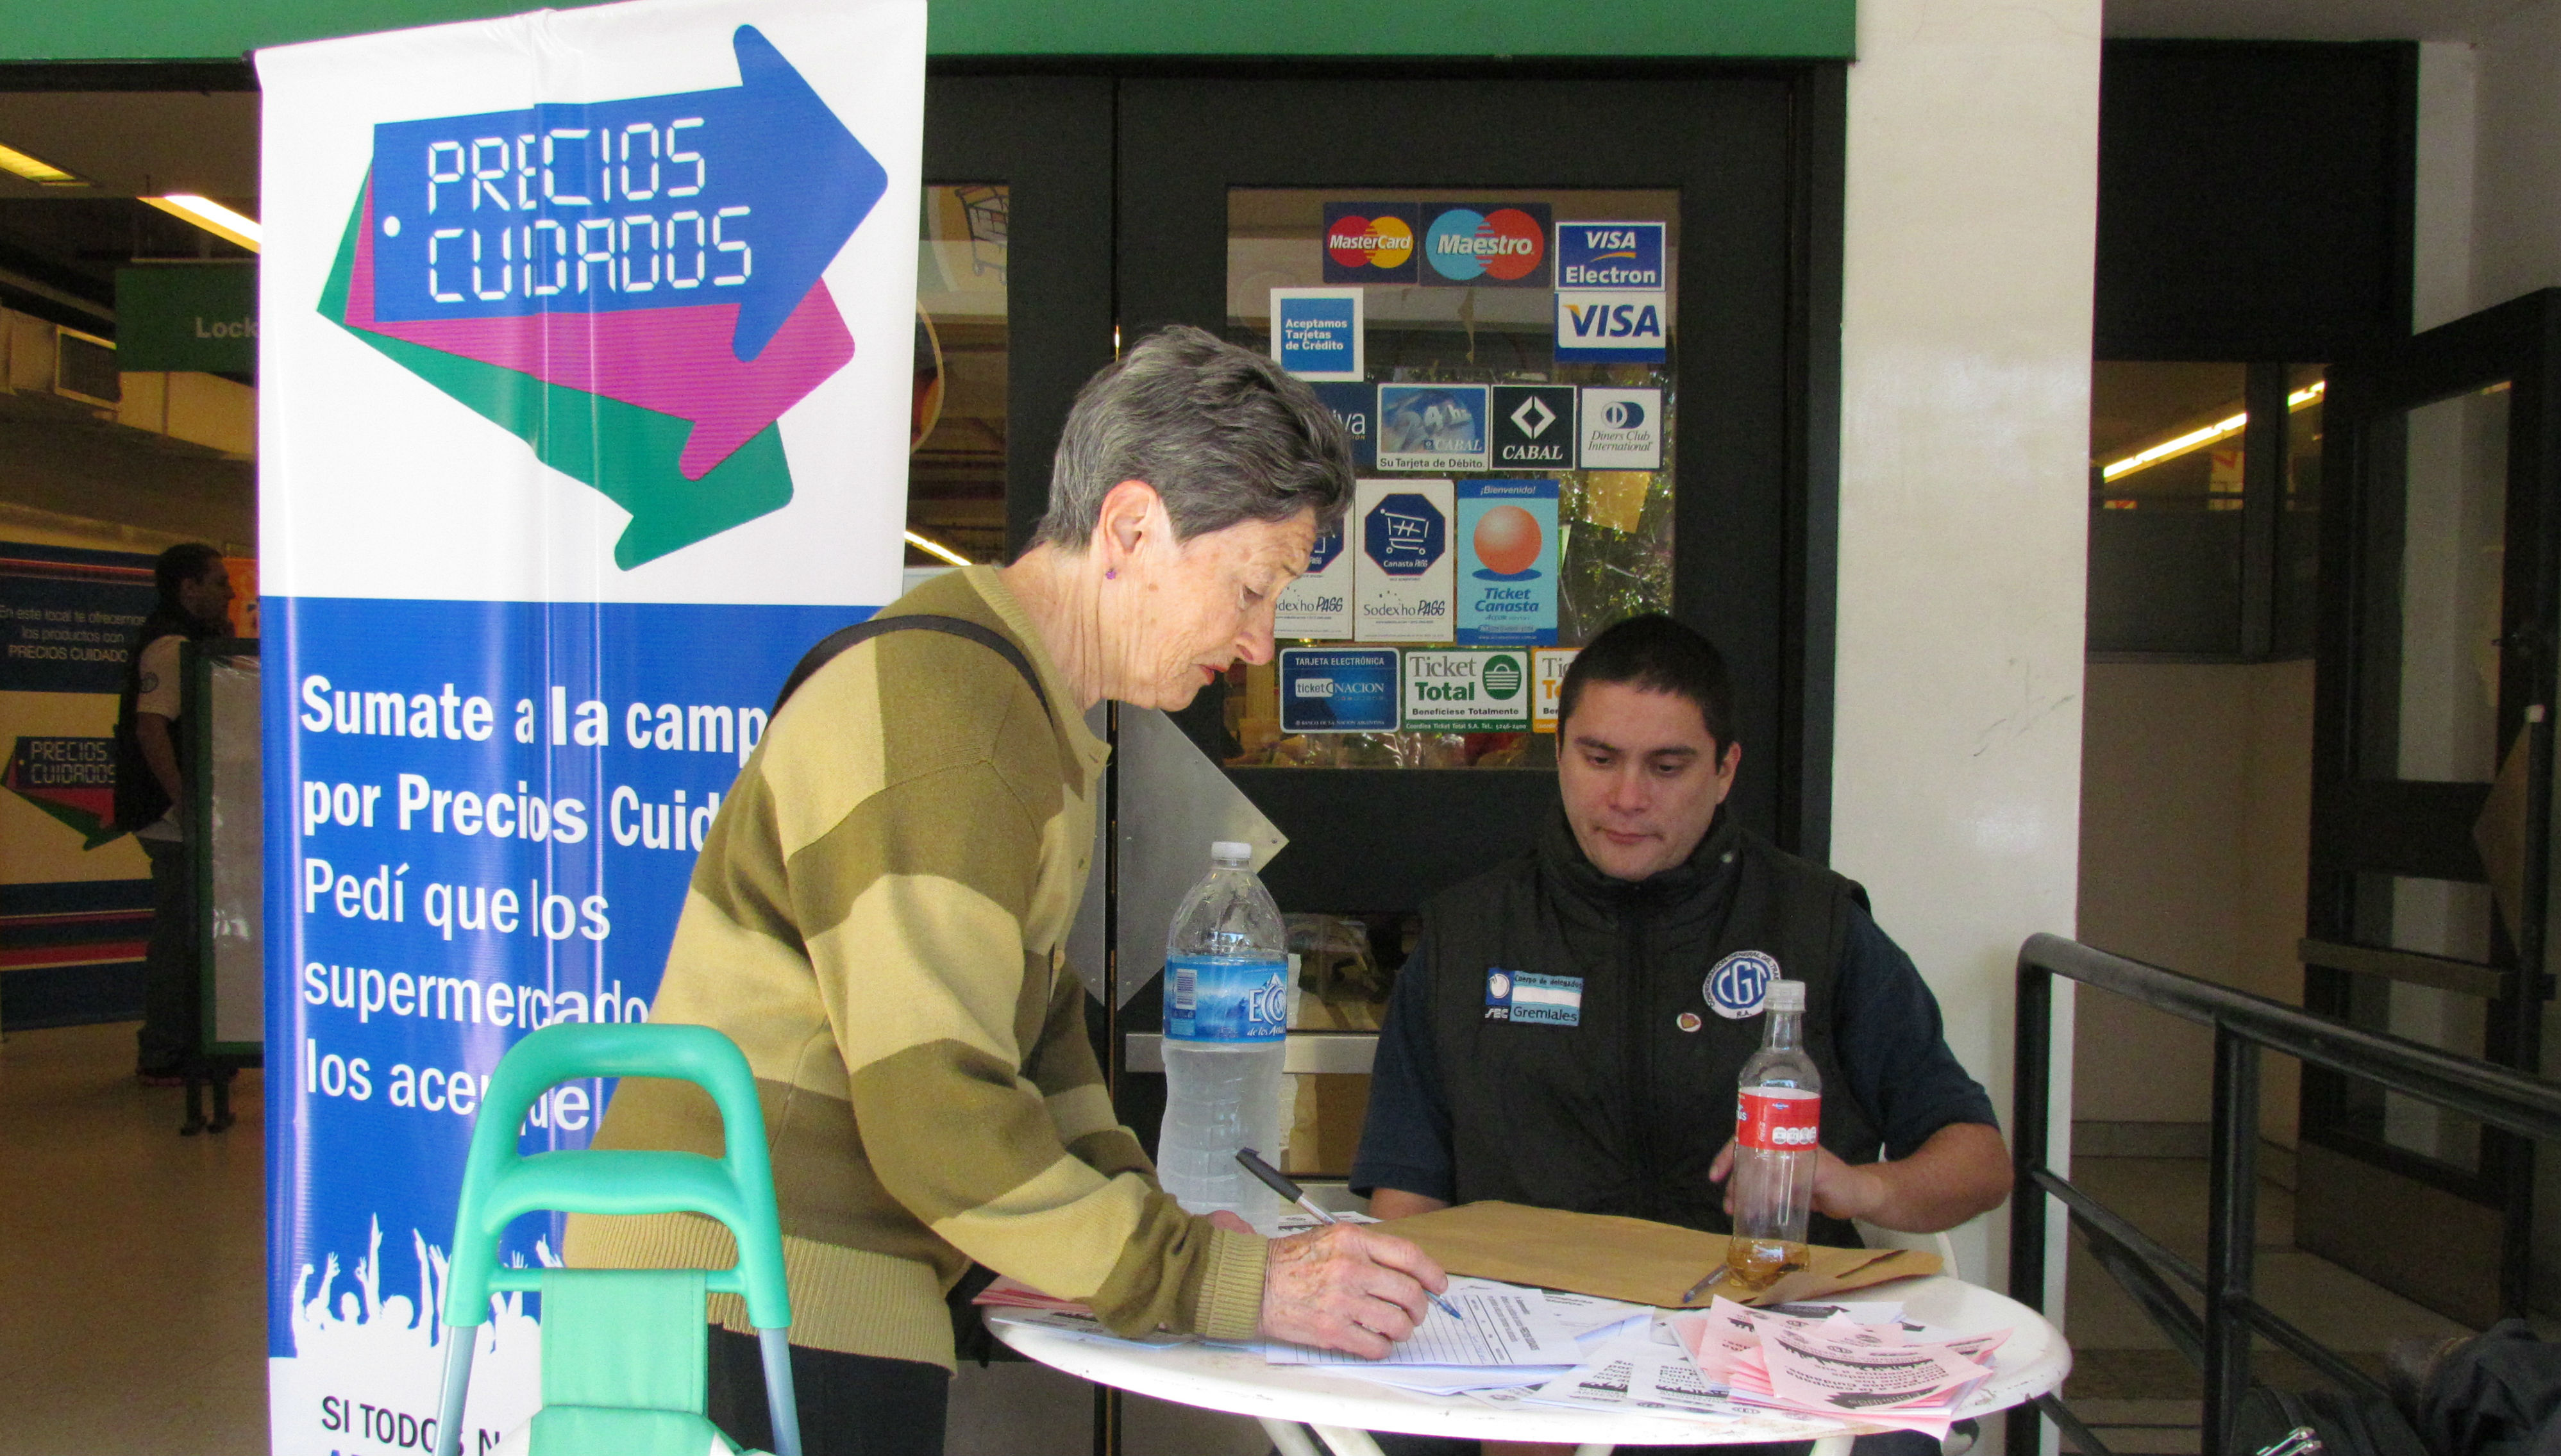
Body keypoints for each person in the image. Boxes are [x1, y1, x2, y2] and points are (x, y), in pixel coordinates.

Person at [567, 326, 1449, 1456]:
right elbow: (940, 1119)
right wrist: (1227, 1282)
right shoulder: (957, 720)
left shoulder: (1023, 718)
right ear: (1131, 527)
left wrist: (1170, 1236)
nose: (1258, 643)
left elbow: (1037, 1049)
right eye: (1249, 587)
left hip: (772, 1302)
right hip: (746, 1310)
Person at [1351, 614, 2011, 1456]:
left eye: (1666, 766)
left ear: (1725, 769)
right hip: (1523, 1355)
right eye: (1598, 758)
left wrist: (1857, 1188)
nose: (1627, 797)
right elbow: (1408, 1200)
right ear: (1559, 754)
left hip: (1758, 1354)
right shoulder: (1465, 935)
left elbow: (1977, 1158)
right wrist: (1477, 1373)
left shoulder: (1816, 926)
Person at [113, 542, 236, 1122]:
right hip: (172, 822)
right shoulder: (171, 645)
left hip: (181, 816)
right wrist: (184, 801)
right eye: (218, 583)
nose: (229, 594)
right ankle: (164, 1051)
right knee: (179, 935)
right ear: (188, 589)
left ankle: (189, 1044)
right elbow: (151, 727)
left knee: (190, 934)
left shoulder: (192, 642)